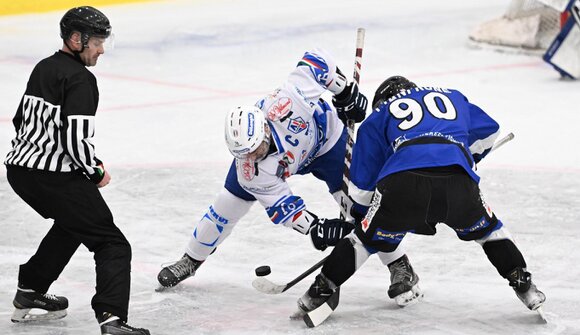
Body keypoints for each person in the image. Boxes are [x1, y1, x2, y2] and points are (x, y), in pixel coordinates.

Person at [157, 50, 423, 307]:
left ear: (263, 127)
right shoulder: (250, 169)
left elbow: (315, 60)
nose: (252, 156)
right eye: (244, 154)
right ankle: (191, 260)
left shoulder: (287, 103)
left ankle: (400, 266)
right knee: (226, 206)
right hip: (287, 164)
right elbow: (284, 207)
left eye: (255, 148)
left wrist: (343, 91)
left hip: (327, 144)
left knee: (362, 208)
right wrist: (316, 228)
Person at [294, 76, 547, 327]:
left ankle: (319, 291)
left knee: (363, 242)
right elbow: (490, 131)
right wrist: (466, 155)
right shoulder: (453, 96)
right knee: (489, 231)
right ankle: (523, 282)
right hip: (459, 182)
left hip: (403, 184)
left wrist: (366, 220)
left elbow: (360, 191)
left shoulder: (380, 114)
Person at [4, 6, 150, 335]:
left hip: (20, 171)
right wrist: (95, 171)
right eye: (97, 42)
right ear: (76, 39)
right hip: (54, 177)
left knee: (74, 224)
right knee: (112, 244)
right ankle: (111, 319)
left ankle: (30, 289)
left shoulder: (45, 67)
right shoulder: (81, 79)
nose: (100, 49)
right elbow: (75, 138)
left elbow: (20, 120)